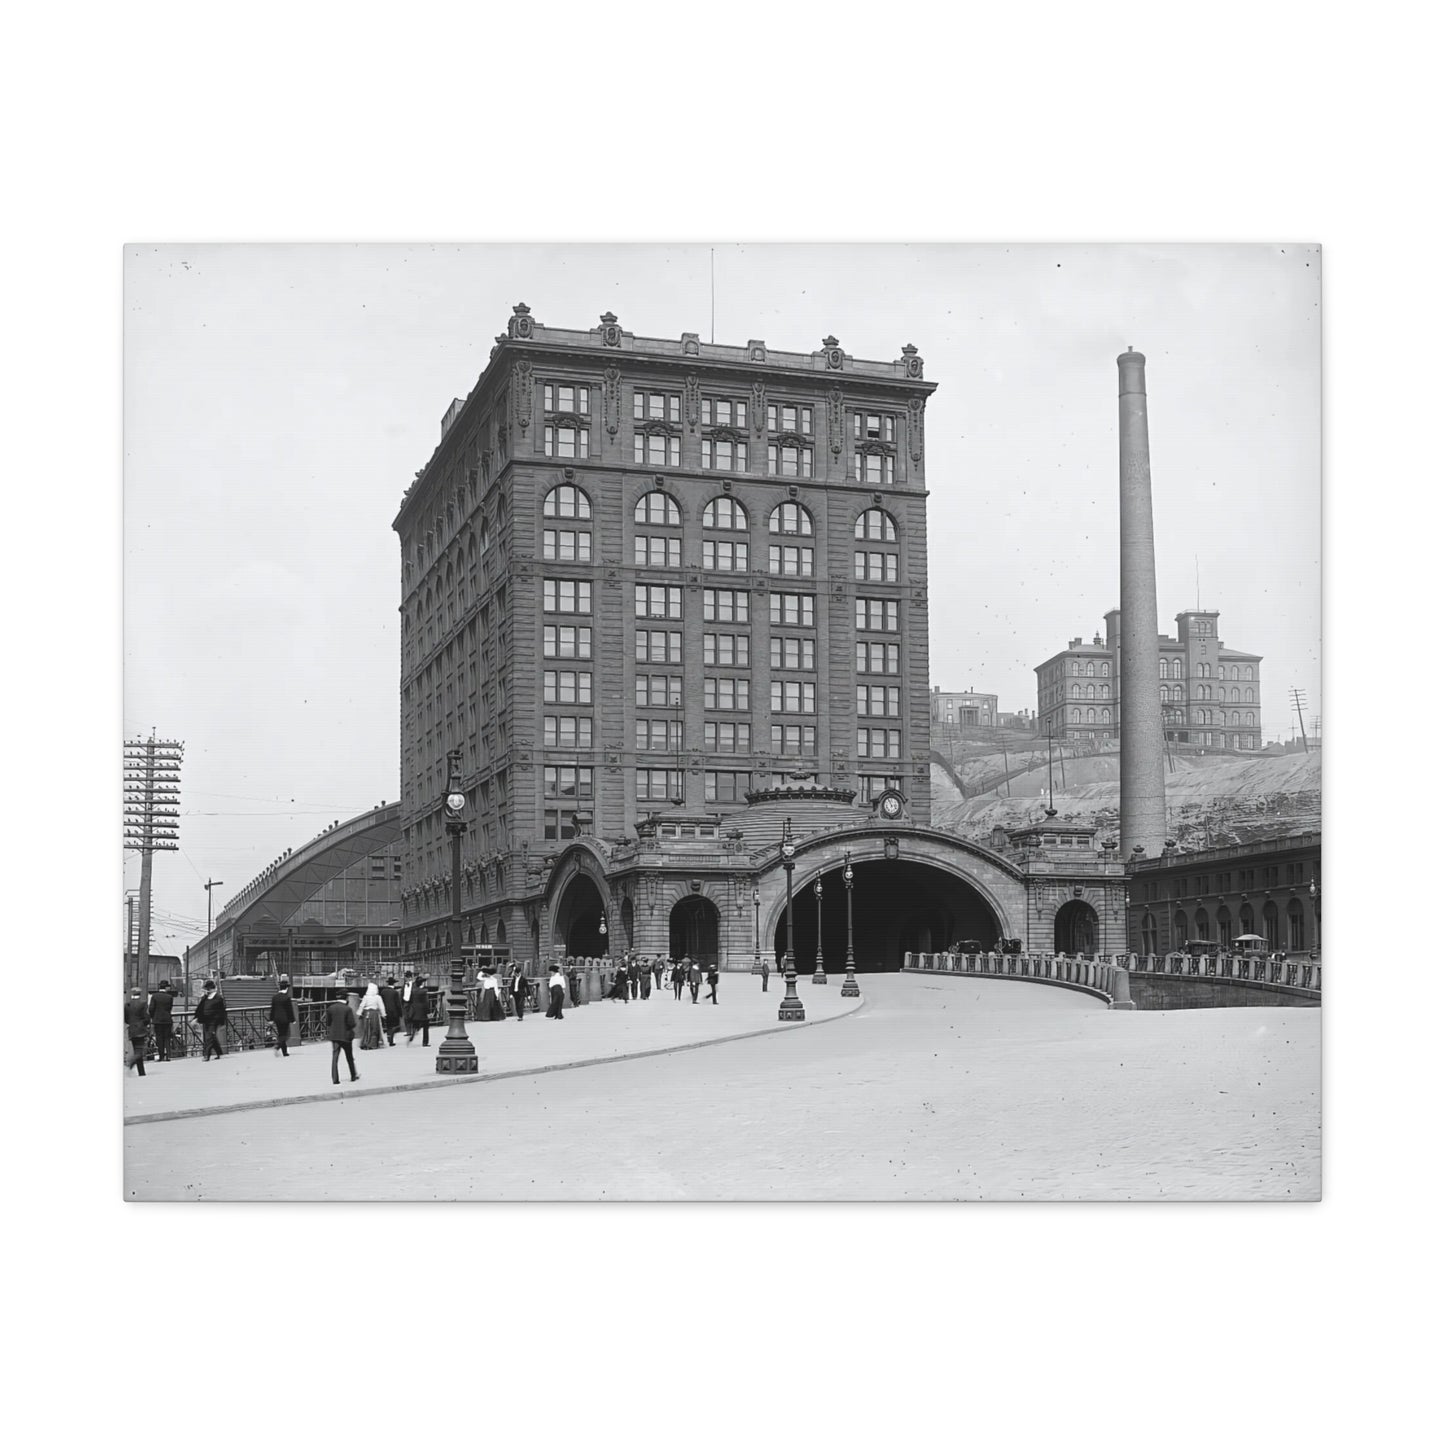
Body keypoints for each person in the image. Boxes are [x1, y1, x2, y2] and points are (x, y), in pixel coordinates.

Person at [326, 992, 360, 1084]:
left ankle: (335, 1079)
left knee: (335, 1057)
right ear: (346, 999)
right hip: (346, 1036)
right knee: (349, 1056)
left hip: (334, 1036)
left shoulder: (330, 1008)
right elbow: (351, 1023)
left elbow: (328, 1022)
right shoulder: (347, 1009)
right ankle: (353, 1075)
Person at [195, 978, 228, 1061]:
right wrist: (197, 1018)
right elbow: (200, 1008)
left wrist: (222, 1021)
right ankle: (219, 1052)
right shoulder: (205, 998)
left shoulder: (218, 998)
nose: (206, 991)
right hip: (205, 1020)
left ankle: (207, 1055)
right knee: (211, 1037)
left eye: (207, 989)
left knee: (209, 1037)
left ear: (211, 989)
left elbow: (222, 1011)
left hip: (214, 1020)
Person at [269, 976, 297, 1057]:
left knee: (281, 1034)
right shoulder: (287, 998)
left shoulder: (275, 997)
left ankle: (285, 1052)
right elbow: (289, 1010)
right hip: (285, 1019)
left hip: (277, 1019)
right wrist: (293, 1019)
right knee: (285, 1035)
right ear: (286, 989)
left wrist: (271, 1019)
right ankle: (277, 1046)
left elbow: (272, 1009)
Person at [124, 987, 149, 1076]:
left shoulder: (127, 1005)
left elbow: (126, 1019)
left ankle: (141, 1072)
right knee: (140, 1050)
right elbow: (146, 1017)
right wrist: (145, 1023)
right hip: (141, 1029)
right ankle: (132, 1062)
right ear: (139, 994)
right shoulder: (143, 1003)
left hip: (132, 1030)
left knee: (136, 1049)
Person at [148, 979, 175, 1060]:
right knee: (167, 1037)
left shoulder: (154, 996)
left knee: (159, 1038)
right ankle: (168, 1056)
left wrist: (153, 1016)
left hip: (157, 1020)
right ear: (166, 987)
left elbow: (151, 1009)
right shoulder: (169, 997)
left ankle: (161, 1056)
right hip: (167, 1019)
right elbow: (170, 1008)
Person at [402, 970, 430, 1046]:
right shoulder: (424, 991)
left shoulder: (413, 991)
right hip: (422, 1012)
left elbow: (409, 1000)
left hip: (414, 1011)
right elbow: (426, 1002)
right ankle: (425, 1042)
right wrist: (428, 1011)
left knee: (415, 1025)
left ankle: (412, 1035)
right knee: (426, 1027)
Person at [357, 982, 385, 1049]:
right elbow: (381, 1006)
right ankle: (373, 1044)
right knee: (374, 1029)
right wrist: (383, 1014)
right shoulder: (378, 997)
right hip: (374, 1013)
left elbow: (361, 1006)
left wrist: (359, 1013)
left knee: (366, 1029)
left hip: (366, 1013)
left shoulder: (365, 997)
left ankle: (365, 1042)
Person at [379, 976, 403, 1045]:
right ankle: (391, 1040)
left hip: (386, 1011)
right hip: (394, 1012)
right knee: (395, 1026)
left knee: (388, 1026)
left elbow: (382, 1002)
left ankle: (389, 1038)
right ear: (394, 984)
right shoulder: (394, 992)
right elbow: (398, 1004)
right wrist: (400, 1013)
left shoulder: (383, 991)